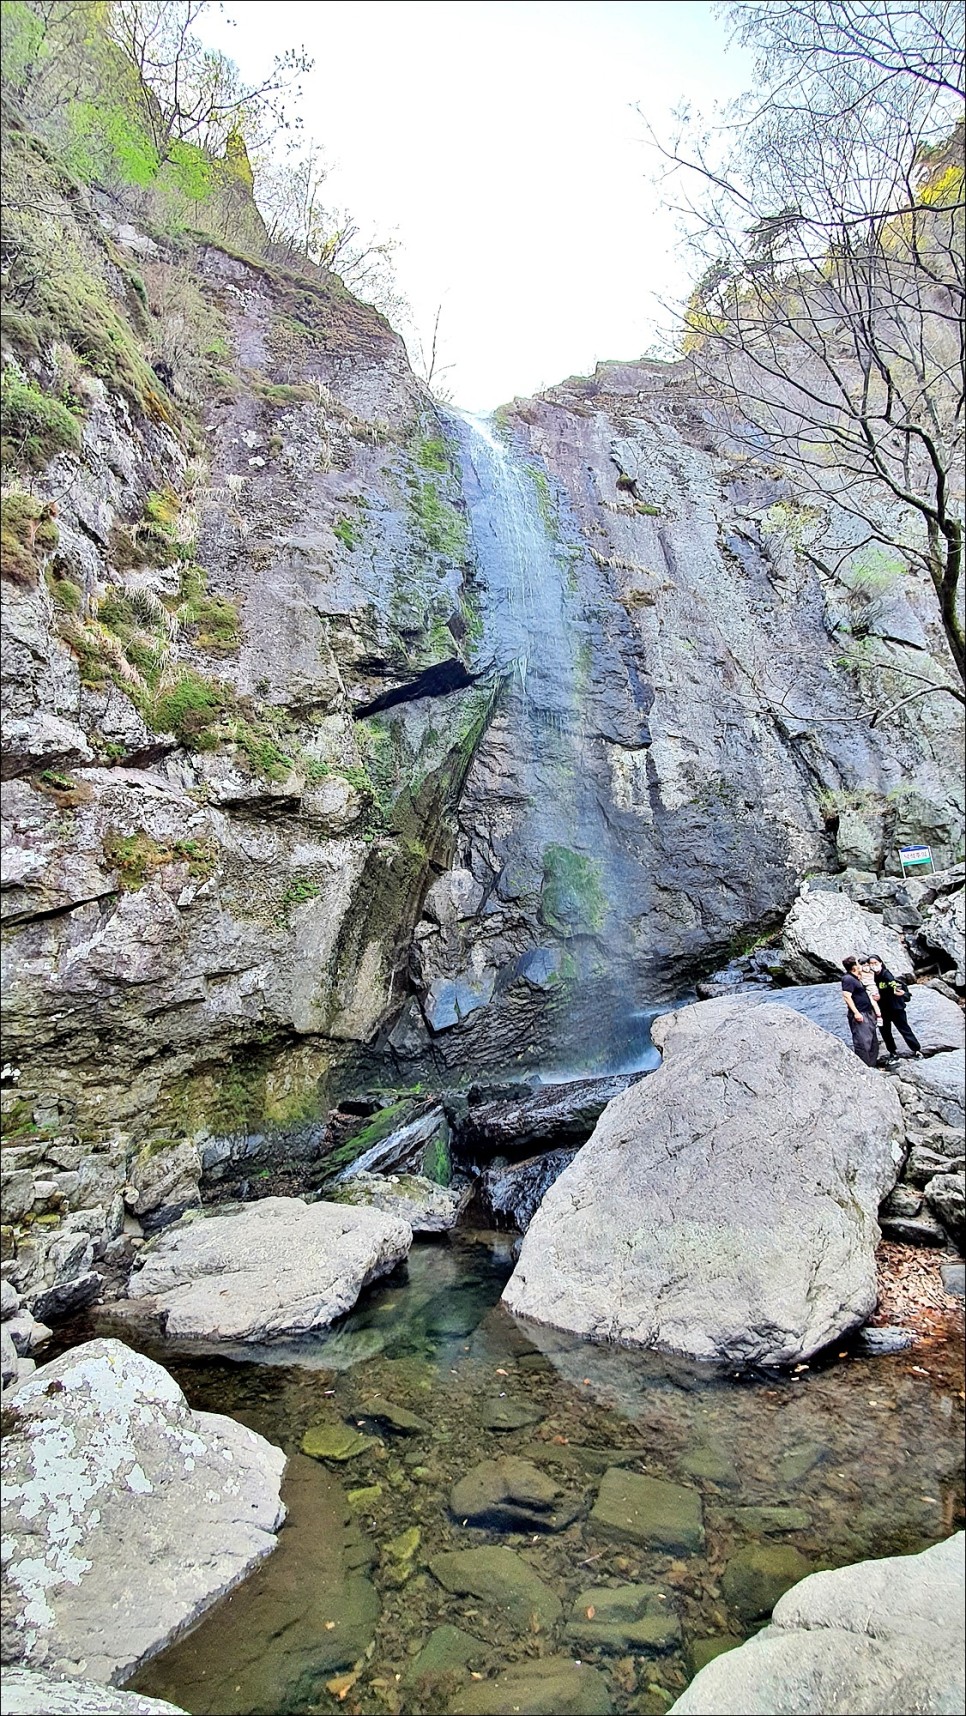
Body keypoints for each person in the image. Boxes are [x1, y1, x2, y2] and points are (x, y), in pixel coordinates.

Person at [863, 953, 922, 1061]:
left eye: (875, 963)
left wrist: (898, 992)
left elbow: (892, 984)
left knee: (904, 1029)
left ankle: (916, 1049)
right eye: (871, 963)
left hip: (895, 1008)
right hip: (883, 1009)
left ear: (880, 963)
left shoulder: (886, 974)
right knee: (885, 1032)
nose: (873, 965)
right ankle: (892, 1052)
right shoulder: (872, 976)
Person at [841, 955, 882, 1067]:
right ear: (854, 967)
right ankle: (864, 1066)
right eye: (858, 964)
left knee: (873, 1041)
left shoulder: (856, 978)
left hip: (868, 1012)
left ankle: (872, 1064)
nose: (860, 966)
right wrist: (856, 1013)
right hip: (860, 1014)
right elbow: (846, 996)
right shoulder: (847, 979)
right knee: (863, 1042)